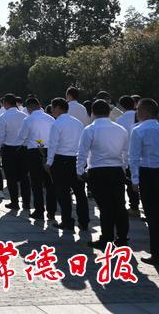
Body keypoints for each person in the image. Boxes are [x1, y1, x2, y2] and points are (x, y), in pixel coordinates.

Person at [78, 99, 129, 249]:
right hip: (117, 169)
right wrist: (123, 168)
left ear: (93, 112)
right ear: (109, 112)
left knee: (105, 206)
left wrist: (79, 170)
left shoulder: (90, 130)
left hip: (98, 171)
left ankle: (106, 237)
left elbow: (82, 153)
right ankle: (122, 237)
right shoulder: (121, 129)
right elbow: (126, 153)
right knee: (120, 205)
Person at [47, 97, 90, 232]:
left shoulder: (57, 124)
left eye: (53, 107)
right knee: (80, 193)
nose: (52, 110)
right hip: (76, 160)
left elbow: (53, 145)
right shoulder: (77, 123)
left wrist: (48, 162)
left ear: (58, 108)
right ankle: (84, 221)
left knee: (63, 193)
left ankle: (67, 221)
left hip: (61, 161)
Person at [129, 98, 159, 265]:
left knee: (152, 217)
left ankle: (156, 253)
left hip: (147, 174)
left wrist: (135, 179)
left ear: (146, 111)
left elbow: (133, 157)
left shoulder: (139, 130)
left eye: (139, 109)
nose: (136, 112)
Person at [18, 97, 56, 220]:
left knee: (36, 182)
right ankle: (51, 211)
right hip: (49, 151)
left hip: (34, 152)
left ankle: (39, 210)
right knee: (50, 182)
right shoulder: (50, 118)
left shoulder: (28, 119)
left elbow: (21, 136)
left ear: (28, 108)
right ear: (39, 105)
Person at [0, 93, 30, 212]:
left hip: (9, 149)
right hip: (23, 149)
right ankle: (26, 203)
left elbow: (0, 135)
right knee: (24, 177)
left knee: (11, 178)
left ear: (6, 103)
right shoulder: (24, 115)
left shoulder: (3, 117)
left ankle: (15, 202)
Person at [116, 95, 140, 215]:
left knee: (130, 183)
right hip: (143, 155)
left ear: (121, 106)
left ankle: (134, 207)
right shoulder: (140, 116)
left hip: (127, 156)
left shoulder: (120, 120)